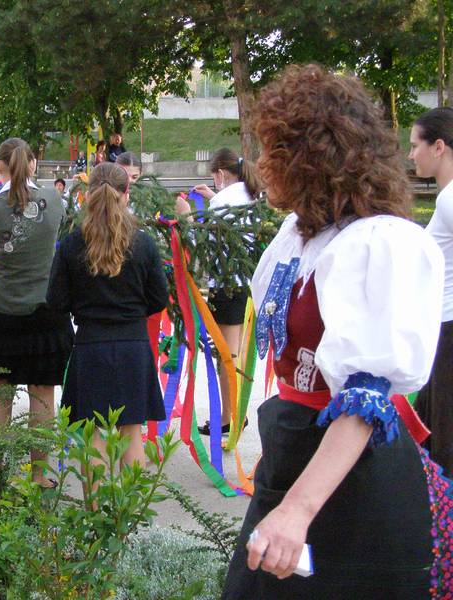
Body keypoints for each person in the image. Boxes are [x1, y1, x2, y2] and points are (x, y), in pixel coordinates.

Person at [223, 64, 452, 599]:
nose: (261, 165)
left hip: (355, 474)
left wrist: (297, 510)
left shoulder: (379, 243)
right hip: (295, 449)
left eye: (273, 150)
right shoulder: (298, 232)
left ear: (310, 158)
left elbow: (365, 396)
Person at [47, 162, 168, 466]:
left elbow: (56, 300)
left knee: (93, 435)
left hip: (90, 346)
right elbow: (159, 298)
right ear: (127, 194)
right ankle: (130, 500)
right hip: (133, 346)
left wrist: (85, 308)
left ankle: (96, 500)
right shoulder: (143, 243)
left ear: (88, 195)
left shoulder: (72, 244)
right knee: (131, 432)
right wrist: (132, 312)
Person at [0, 137, 74, 487]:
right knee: (42, 394)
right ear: (32, 164)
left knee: (0, 391)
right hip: (47, 310)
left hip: (3, 311)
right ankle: (40, 474)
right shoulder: (55, 199)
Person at [192, 147, 261, 435]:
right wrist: (213, 197)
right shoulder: (248, 195)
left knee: (227, 355)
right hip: (244, 283)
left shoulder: (223, 201)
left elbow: (205, 243)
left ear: (220, 174)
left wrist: (188, 220)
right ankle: (233, 413)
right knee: (234, 353)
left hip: (226, 284)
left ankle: (229, 418)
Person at [410, 106, 453, 476]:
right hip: (440, 326)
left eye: (415, 145)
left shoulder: (449, 199)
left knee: (443, 436)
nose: (412, 155)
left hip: (448, 328)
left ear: (438, 147)